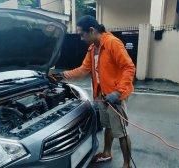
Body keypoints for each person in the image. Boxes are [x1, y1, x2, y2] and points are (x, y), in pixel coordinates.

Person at [52, 15, 136, 168]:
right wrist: (61, 76)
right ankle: (106, 153)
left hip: (116, 97)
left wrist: (118, 92)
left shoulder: (112, 43)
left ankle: (127, 164)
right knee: (108, 126)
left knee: (121, 133)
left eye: (82, 34)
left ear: (91, 30)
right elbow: (83, 70)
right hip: (102, 97)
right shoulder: (92, 49)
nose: (81, 38)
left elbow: (129, 68)